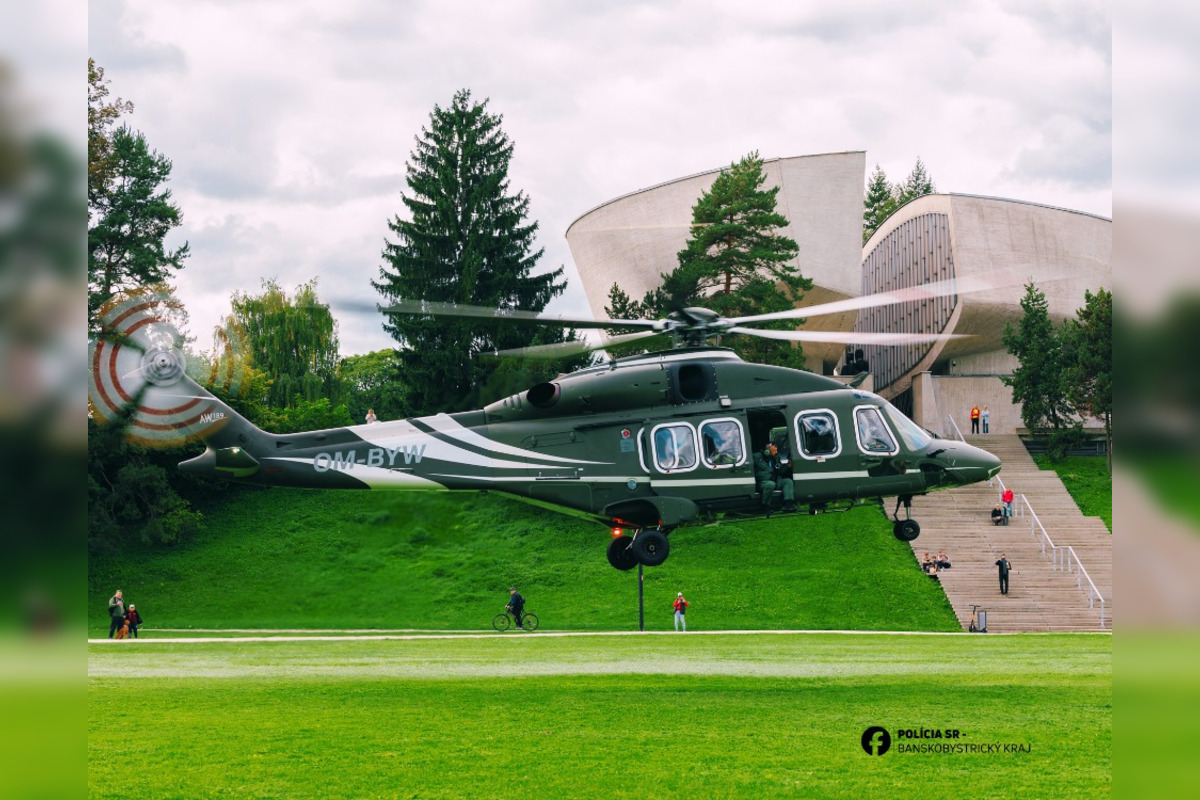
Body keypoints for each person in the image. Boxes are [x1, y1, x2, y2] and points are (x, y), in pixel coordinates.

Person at [753, 444, 796, 512]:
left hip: (775, 480)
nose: (776, 452)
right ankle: (765, 506)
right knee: (770, 484)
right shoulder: (756, 457)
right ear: (767, 451)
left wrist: (788, 466)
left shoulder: (776, 457)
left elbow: (779, 470)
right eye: (774, 451)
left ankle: (788, 504)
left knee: (788, 481)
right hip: (762, 482)